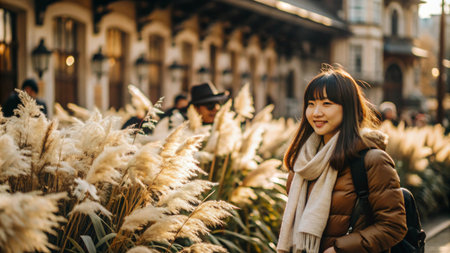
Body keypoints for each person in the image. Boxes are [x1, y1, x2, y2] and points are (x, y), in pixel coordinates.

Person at [277, 66, 406, 253]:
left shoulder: (372, 160)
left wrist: (339, 249)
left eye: (327, 103)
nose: (316, 112)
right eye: (311, 104)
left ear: (348, 108)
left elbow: (394, 226)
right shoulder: (303, 164)